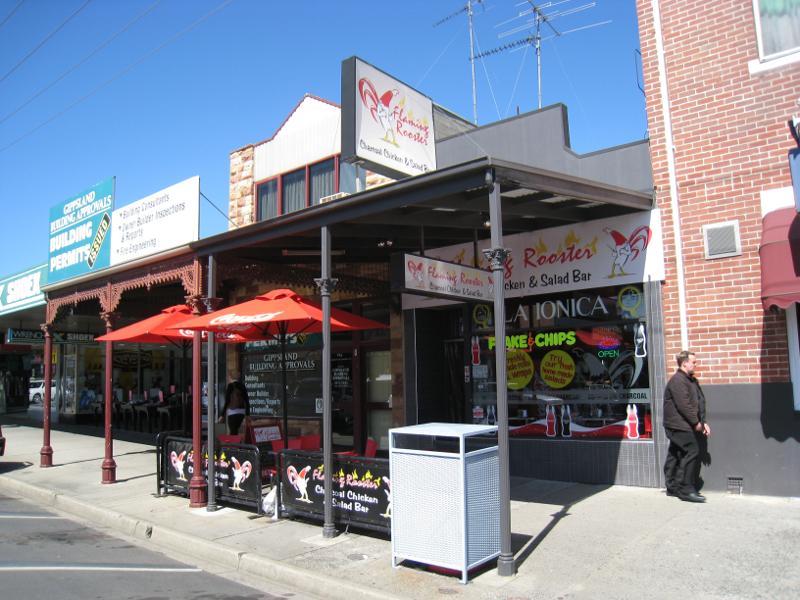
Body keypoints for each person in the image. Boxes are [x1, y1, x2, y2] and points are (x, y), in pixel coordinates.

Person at [663, 350, 711, 503]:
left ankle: (672, 487)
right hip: (678, 425)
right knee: (692, 450)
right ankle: (685, 489)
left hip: (684, 424)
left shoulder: (690, 380)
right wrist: (696, 423)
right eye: (693, 362)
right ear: (684, 363)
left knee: (676, 452)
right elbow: (684, 405)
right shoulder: (678, 380)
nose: (696, 364)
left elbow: (697, 402)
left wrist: (703, 422)